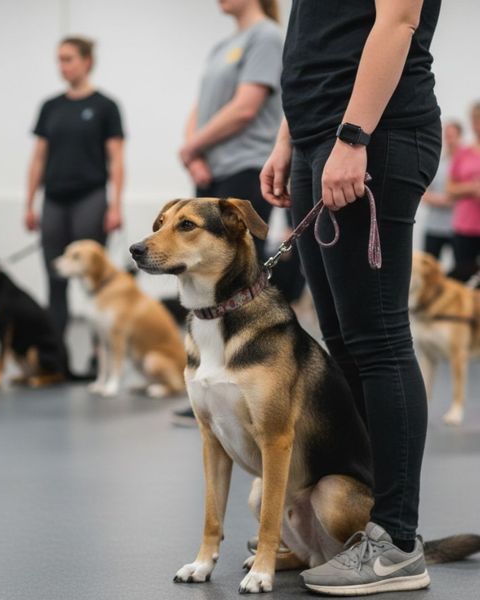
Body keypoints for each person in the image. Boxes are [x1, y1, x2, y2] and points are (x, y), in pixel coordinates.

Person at [260, 0, 441, 595]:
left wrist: (354, 135)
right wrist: (291, 136)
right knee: (341, 340)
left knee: (379, 338)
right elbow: (318, 37)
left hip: (374, 134)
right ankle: (354, 529)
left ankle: (395, 542)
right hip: (322, 136)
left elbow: (396, 23)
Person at [173, 0, 284, 426]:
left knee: (237, 283)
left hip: (245, 167)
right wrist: (193, 152)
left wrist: (195, 145)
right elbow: (199, 109)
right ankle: (209, 382)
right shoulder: (223, 45)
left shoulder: (266, 37)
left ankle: (248, 385)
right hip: (210, 167)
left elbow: (244, 108)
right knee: (202, 285)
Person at [25, 36, 125, 346]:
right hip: (54, 201)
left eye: (68, 59)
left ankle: (100, 357)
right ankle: (57, 357)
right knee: (55, 280)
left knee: (97, 283)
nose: (62, 66)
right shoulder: (50, 107)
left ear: (86, 62)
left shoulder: (105, 106)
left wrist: (115, 206)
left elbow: (117, 159)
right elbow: (38, 158)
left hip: (90, 199)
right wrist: (29, 204)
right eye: (59, 59)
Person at [447, 103, 480, 282]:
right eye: (475, 120)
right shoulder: (463, 153)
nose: (477, 125)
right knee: (462, 276)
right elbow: (450, 188)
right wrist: (471, 188)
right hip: (465, 226)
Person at [421, 121, 462, 261]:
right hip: (434, 226)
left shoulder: (467, 164)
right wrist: (445, 200)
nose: (449, 139)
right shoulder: (437, 162)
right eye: (447, 136)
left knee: (460, 270)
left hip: (458, 228)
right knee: (429, 270)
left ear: (460, 136)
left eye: (452, 136)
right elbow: (423, 192)